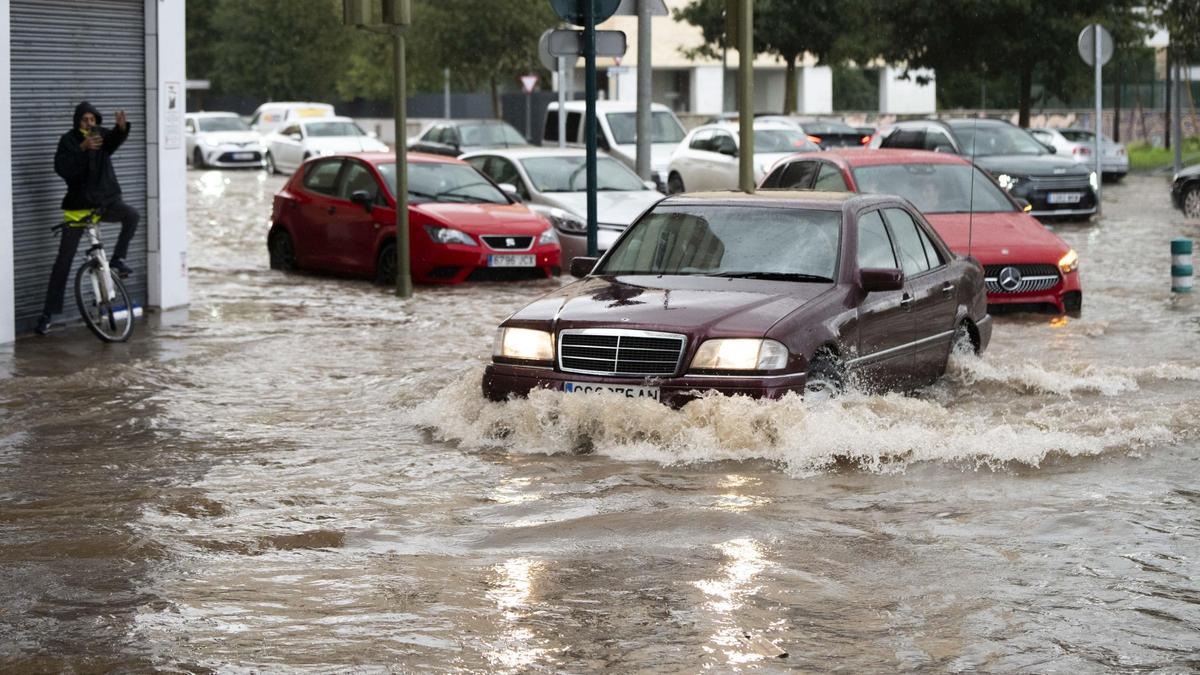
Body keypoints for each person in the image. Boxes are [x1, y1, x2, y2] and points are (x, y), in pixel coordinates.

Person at [36, 102, 138, 335]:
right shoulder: (68, 141)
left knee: (131, 215)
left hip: (104, 202)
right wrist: (81, 148)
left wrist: (121, 129)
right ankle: (48, 314)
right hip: (78, 207)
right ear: (77, 121)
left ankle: (117, 260)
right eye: (85, 120)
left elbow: (113, 142)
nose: (89, 124)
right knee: (64, 261)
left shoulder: (101, 136)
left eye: (93, 119)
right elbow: (62, 168)